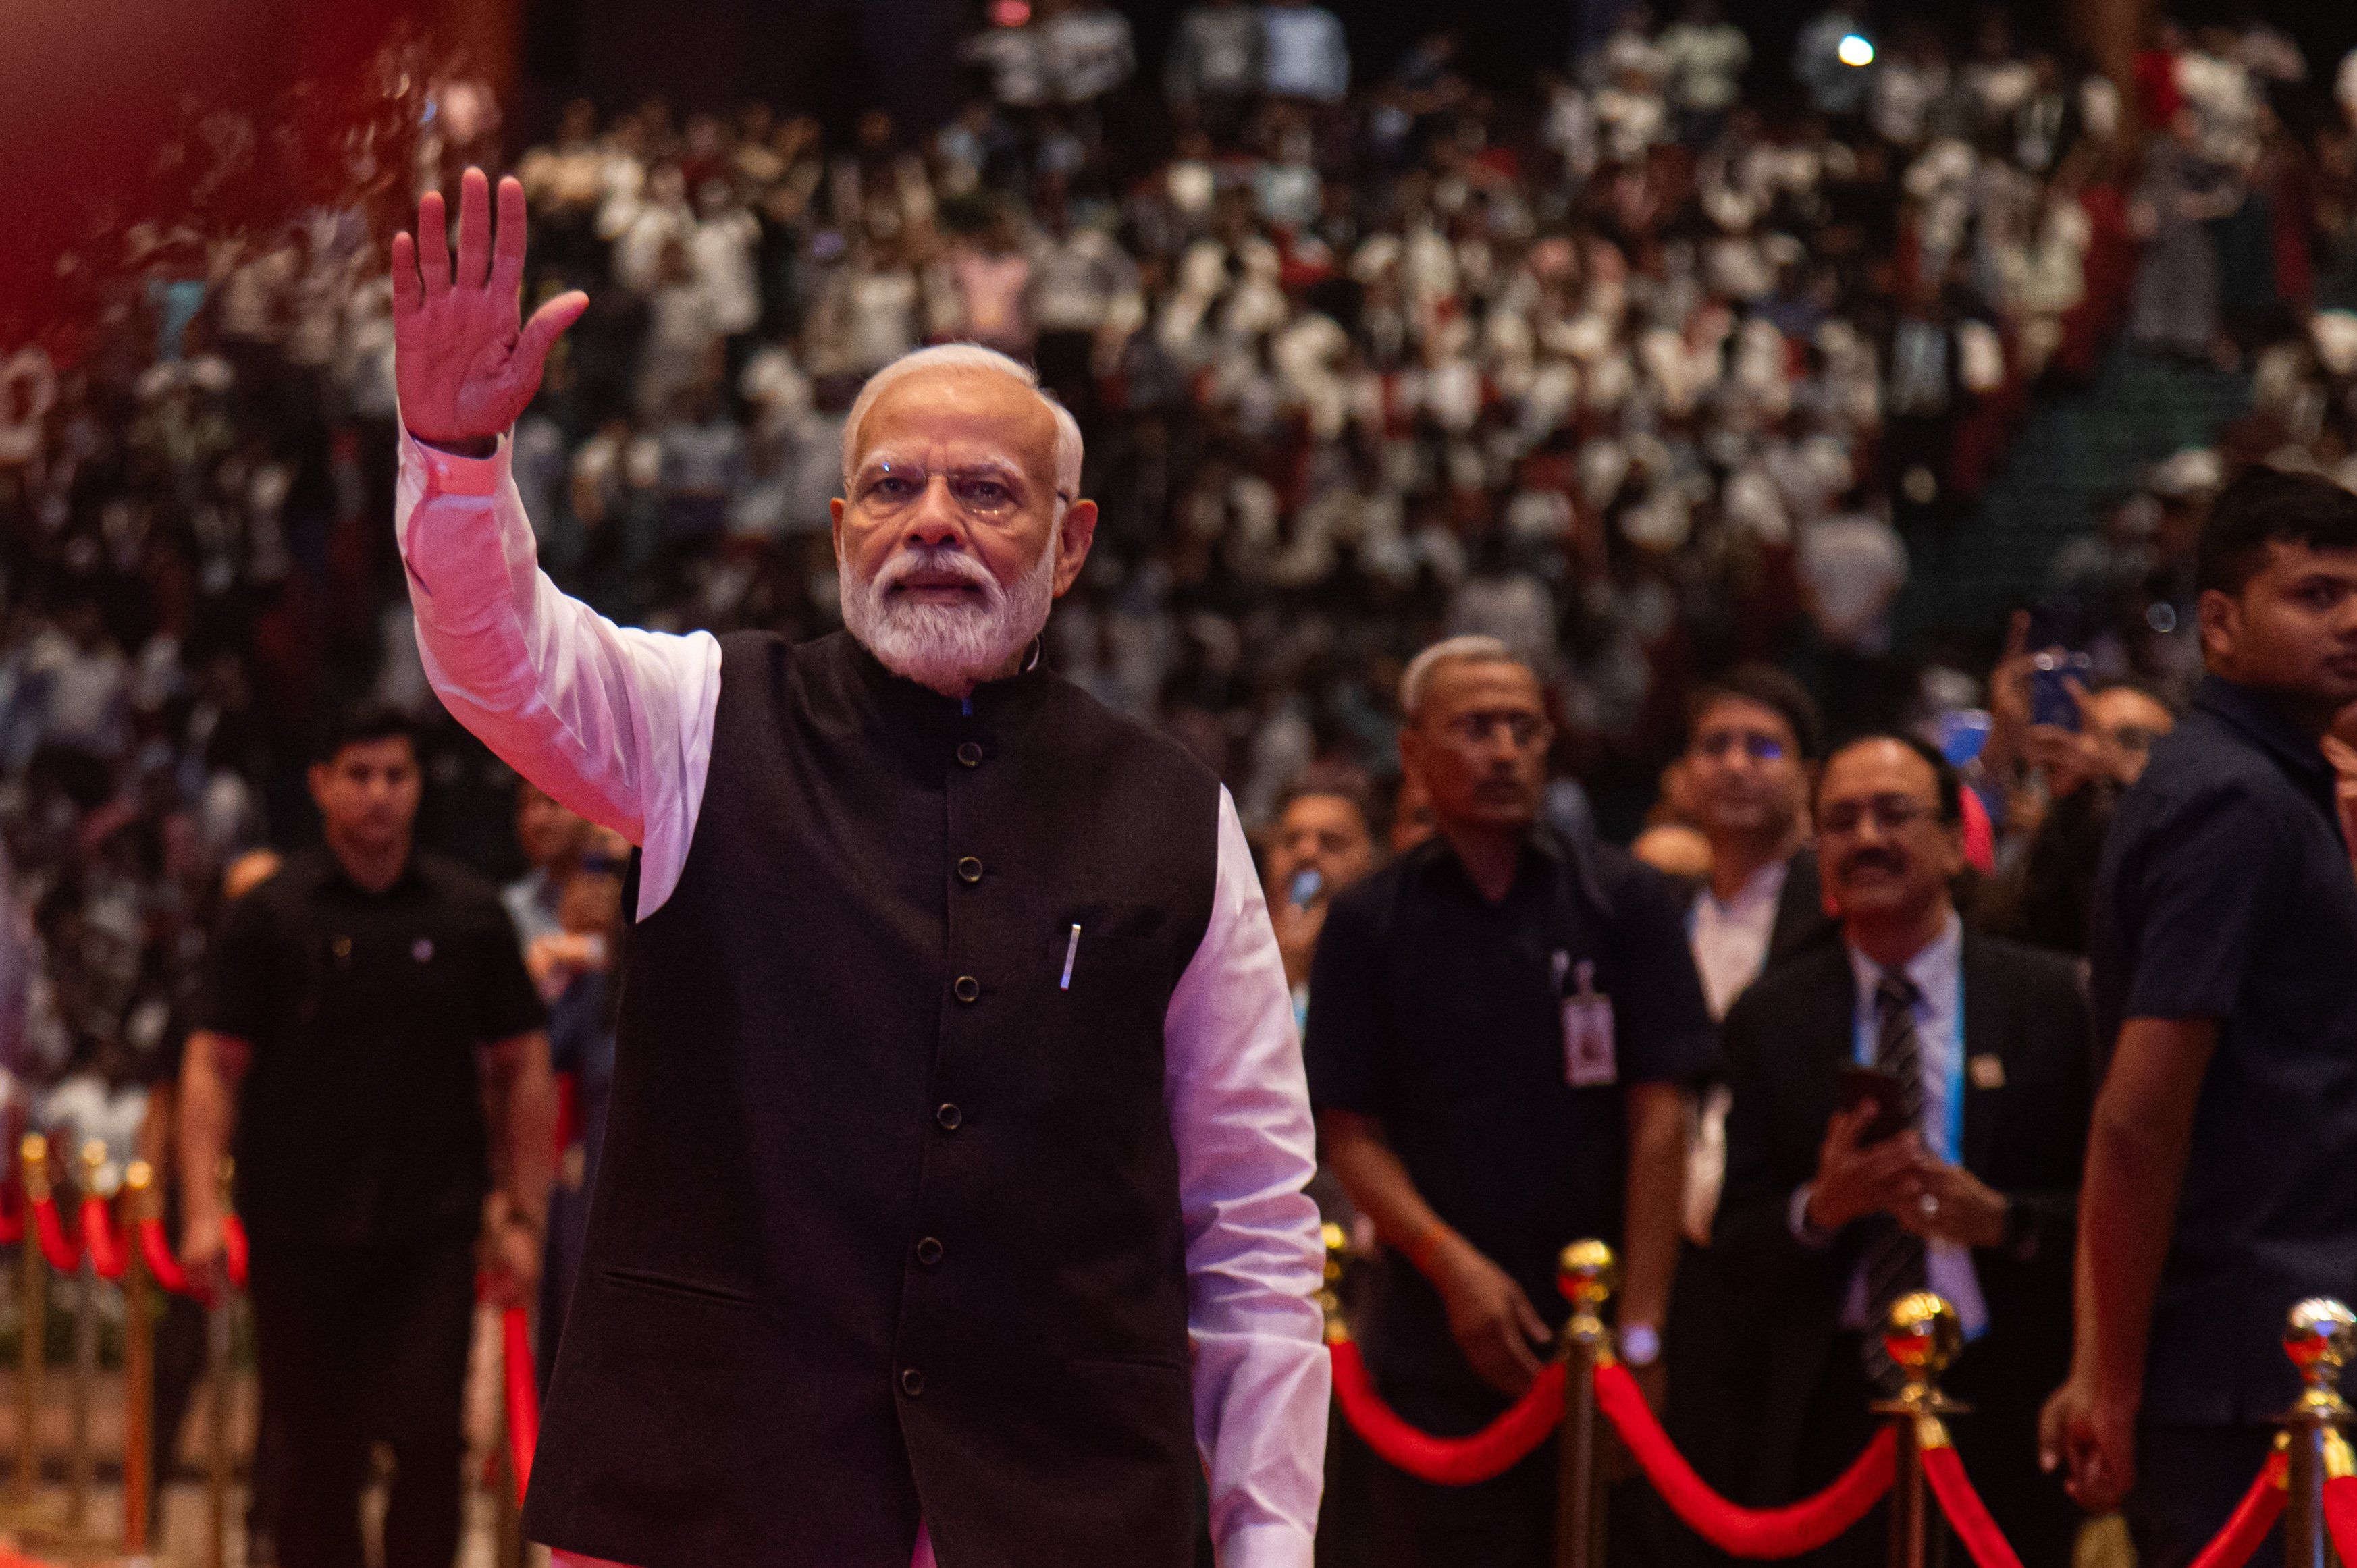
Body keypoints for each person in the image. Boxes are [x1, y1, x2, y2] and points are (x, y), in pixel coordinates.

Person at [388, 171, 1325, 1568]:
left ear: (1068, 545)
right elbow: (503, 661)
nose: (931, 519)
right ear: (837, 534)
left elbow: (1247, 1220)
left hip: (1054, 1508)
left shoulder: (1175, 816)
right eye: (891, 485)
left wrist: (1266, 1543)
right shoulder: (700, 715)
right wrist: (457, 458)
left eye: (986, 492)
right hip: (710, 1493)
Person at [1305, 635, 1712, 1568]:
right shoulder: (1368, 920)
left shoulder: (1622, 897)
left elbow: (1661, 1119)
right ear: (1413, 753)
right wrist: (1453, 1268)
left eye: (1523, 728)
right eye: (1475, 728)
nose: (1503, 750)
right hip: (1431, 1342)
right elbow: (1347, 1132)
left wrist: (1641, 1328)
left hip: (1598, 1334)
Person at [2045, 470, 2357, 1568]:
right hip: (2249, 1374)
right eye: (2315, 594)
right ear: (2217, 622)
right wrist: (2109, 1375)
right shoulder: (2234, 796)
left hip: (2275, 1345)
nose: (2353, 620)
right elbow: (2136, 1116)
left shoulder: (2276, 782)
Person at [176, 703, 554, 1568]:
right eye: (359, 775)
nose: (378, 794)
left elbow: (522, 1064)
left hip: (431, 1227)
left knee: (427, 1445)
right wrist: (202, 1208)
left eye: (396, 776)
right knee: (313, 1452)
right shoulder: (270, 914)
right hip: (296, 1226)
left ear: (419, 788)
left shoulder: (468, 913)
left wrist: (523, 1209)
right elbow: (212, 1063)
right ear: (320, 786)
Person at [1717, 735, 2091, 1568]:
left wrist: (2004, 1222)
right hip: (1832, 1405)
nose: (1866, 839)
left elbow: (2120, 1211)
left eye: (1893, 814)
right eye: (1840, 821)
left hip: (2009, 1390)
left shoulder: (2054, 1000)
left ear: (1956, 843)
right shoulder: (1770, 1020)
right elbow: (1734, 1239)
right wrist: (1821, 1210)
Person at [1660, 665, 1839, 1557]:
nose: (1735, 766)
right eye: (1714, 746)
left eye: (1762, 747)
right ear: (1682, 774)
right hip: (1677, 1257)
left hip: (1792, 1247)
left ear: (1807, 775)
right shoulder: (1655, 910)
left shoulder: (1834, 909)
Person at [505, 780, 592, 952]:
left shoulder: (630, 897)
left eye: (553, 802)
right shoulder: (512, 905)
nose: (535, 820)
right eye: (524, 806)